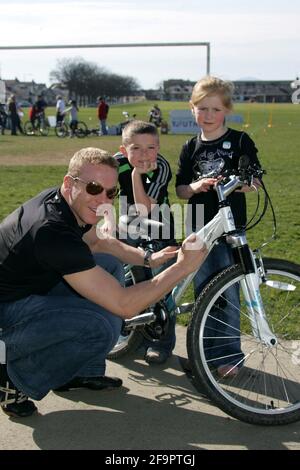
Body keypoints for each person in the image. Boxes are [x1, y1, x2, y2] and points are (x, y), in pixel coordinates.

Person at [0, 146, 207, 418]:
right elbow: (124, 305)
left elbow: (98, 242)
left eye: (111, 192)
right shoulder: (51, 231)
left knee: (108, 267)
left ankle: (76, 372)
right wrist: (182, 268)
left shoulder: (66, 203)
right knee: (99, 326)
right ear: (68, 183)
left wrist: (149, 259)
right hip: (7, 310)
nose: (103, 200)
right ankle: (12, 378)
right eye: (94, 188)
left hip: (26, 288)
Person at [175, 76, 261, 377]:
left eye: (215, 109)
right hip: (199, 228)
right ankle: (204, 356)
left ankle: (228, 357)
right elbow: (180, 190)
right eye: (202, 108)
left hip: (229, 230)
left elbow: (256, 181)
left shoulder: (240, 141)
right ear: (193, 109)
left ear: (226, 110)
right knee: (202, 292)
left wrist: (240, 183)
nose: (208, 115)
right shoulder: (190, 146)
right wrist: (196, 186)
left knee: (227, 293)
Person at [114, 120, 176, 365]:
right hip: (127, 222)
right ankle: (125, 330)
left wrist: (136, 174)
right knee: (125, 278)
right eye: (136, 149)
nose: (144, 155)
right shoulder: (113, 162)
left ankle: (161, 342)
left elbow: (145, 207)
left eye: (150, 148)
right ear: (123, 150)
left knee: (161, 285)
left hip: (159, 224)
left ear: (158, 148)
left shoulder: (161, 166)